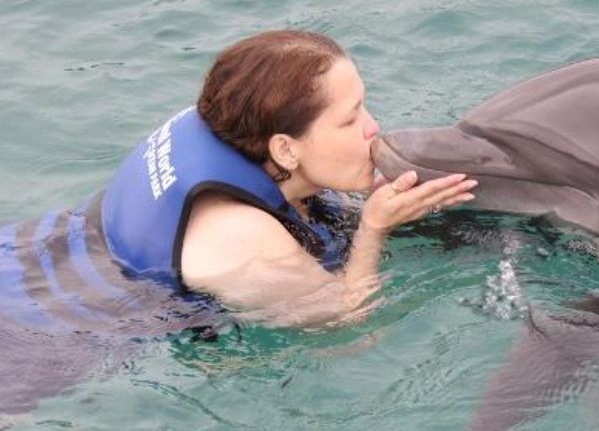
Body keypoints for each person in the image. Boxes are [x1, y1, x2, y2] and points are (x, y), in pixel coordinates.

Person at [102, 30, 478, 328]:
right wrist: (373, 229)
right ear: (285, 149)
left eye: (363, 105)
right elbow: (346, 325)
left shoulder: (240, 123)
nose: (373, 127)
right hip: (81, 338)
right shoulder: (241, 237)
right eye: (349, 120)